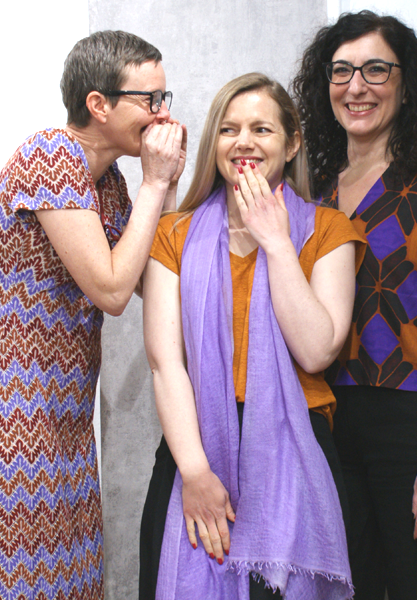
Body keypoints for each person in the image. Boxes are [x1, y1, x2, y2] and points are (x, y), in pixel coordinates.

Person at [0, 31, 186, 599]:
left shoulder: (109, 182)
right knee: (17, 584)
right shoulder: (49, 156)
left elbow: (150, 282)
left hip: (64, 418)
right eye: (150, 99)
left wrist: (167, 187)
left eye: (165, 97)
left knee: (70, 581)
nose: (163, 113)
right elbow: (111, 290)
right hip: (9, 418)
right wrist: (153, 184)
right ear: (98, 104)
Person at [139, 72, 364, 600]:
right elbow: (165, 365)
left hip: (294, 449)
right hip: (194, 449)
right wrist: (195, 473)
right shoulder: (173, 234)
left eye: (262, 129)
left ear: (292, 142)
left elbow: (316, 349)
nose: (243, 142)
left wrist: (277, 242)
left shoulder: (328, 229)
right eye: (229, 129)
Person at [292, 10, 417, 600]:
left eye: (376, 69)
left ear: (407, 84)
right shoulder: (313, 191)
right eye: (342, 71)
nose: (356, 87)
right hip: (327, 425)